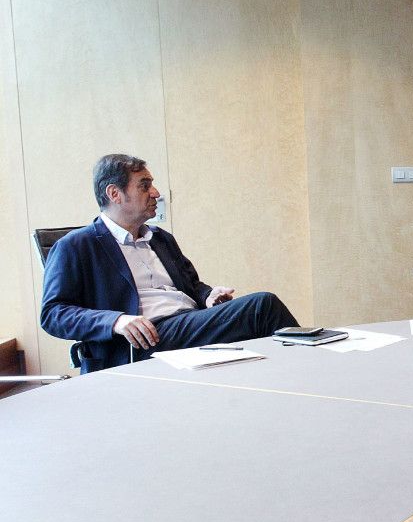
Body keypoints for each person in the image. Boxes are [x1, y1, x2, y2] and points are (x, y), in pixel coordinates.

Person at [40, 154, 299, 373]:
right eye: (144, 185)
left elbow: (192, 286)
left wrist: (208, 297)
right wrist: (116, 321)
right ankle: (311, 373)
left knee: (262, 338)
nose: (156, 193)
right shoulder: (76, 246)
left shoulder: (161, 239)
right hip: (142, 340)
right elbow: (53, 314)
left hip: (188, 323)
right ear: (114, 193)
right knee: (262, 307)